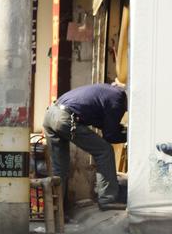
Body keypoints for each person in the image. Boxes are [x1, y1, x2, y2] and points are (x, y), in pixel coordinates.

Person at [42, 82, 127, 210]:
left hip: (50, 114)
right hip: (65, 118)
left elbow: (102, 123)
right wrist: (130, 136)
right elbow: (110, 136)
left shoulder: (107, 91)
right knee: (104, 150)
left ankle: (58, 211)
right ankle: (107, 198)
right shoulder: (119, 98)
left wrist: (119, 130)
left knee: (60, 168)